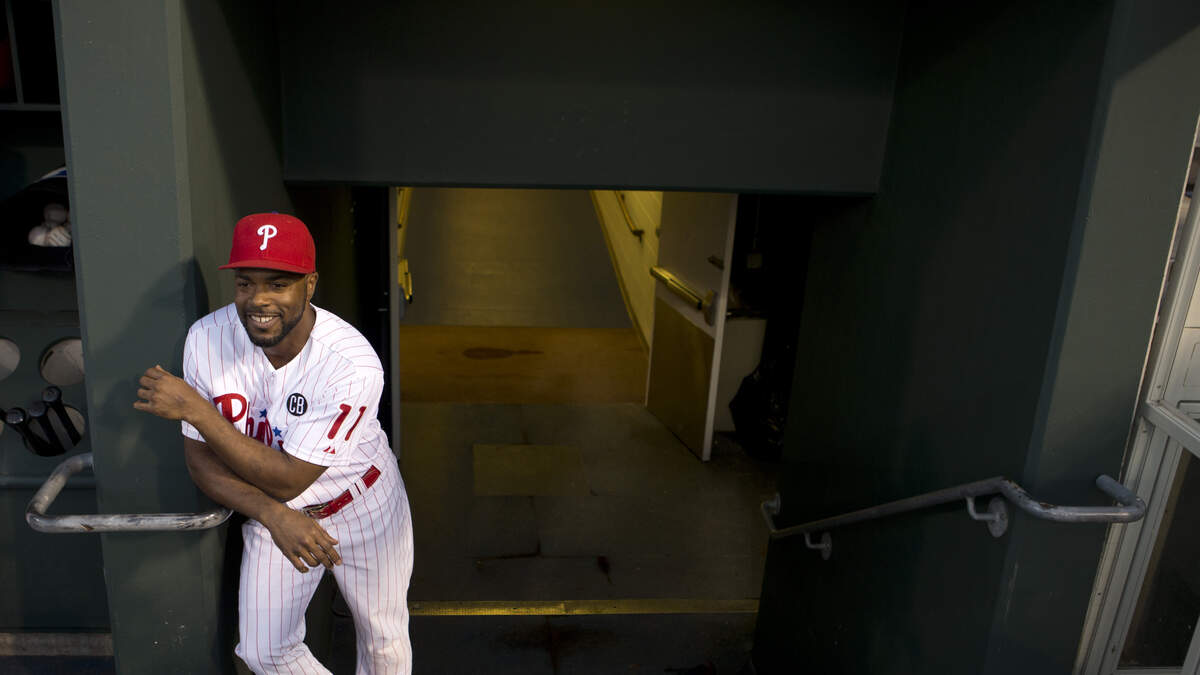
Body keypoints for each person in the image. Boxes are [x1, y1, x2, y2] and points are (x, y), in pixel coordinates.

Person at [134, 213, 413, 674]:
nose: (258, 299)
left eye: (278, 284)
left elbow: (289, 479)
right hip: (274, 510)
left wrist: (197, 410)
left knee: (383, 639)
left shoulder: (351, 364)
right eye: (246, 283)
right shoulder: (206, 338)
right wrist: (272, 515)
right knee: (263, 652)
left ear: (310, 285)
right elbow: (201, 462)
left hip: (362, 502)